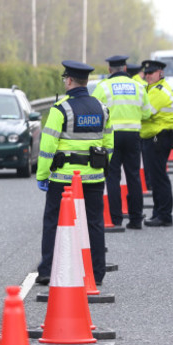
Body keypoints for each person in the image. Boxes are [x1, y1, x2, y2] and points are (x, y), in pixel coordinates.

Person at [35, 61, 113, 285]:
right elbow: (109, 144)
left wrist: (42, 176)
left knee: (54, 222)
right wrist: (101, 167)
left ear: (69, 80)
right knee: (95, 223)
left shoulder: (61, 109)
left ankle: (48, 270)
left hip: (64, 178)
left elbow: (47, 147)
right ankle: (96, 272)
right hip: (94, 177)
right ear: (86, 82)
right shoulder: (101, 108)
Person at [91, 55, 151, 229]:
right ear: (125, 69)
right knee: (133, 177)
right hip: (133, 136)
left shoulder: (103, 87)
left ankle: (115, 219)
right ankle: (136, 219)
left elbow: (95, 111)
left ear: (110, 70)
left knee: (113, 177)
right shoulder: (139, 87)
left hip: (111, 137)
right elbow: (147, 114)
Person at [140, 59, 173, 227]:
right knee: (157, 177)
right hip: (157, 137)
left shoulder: (158, 92)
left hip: (158, 138)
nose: (148, 76)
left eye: (151, 73)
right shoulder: (153, 89)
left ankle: (164, 215)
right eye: (146, 73)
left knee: (158, 177)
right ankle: (159, 212)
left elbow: (145, 114)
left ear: (160, 73)